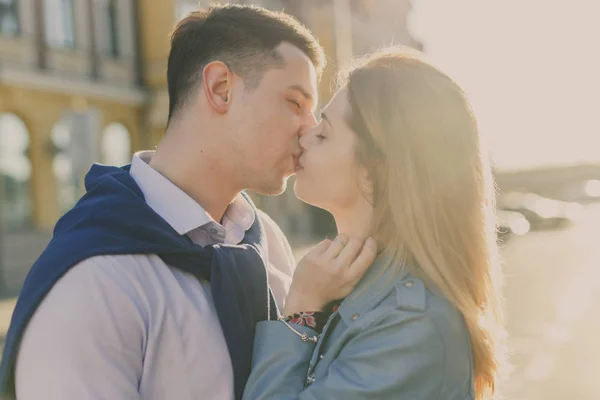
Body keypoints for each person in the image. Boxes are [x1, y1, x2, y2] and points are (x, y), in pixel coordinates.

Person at [0, 5, 376, 400]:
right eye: (295, 102)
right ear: (220, 88)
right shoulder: (92, 284)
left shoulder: (266, 242)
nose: (310, 129)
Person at [243, 48, 507, 400]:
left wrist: (301, 311)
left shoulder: (411, 326)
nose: (304, 138)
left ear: (374, 174)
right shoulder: (357, 285)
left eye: (324, 134)